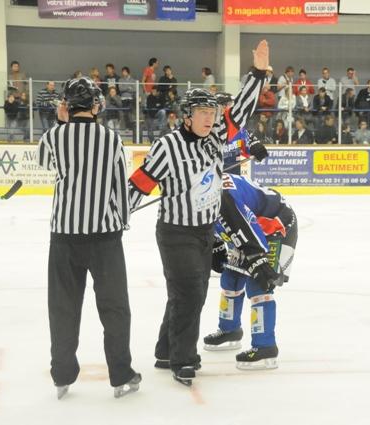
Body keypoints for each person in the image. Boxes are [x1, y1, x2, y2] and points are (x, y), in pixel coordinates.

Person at [127, 39, 270, 387]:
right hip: (176, 233)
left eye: (212, 113)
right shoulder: (167, 147)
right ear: (187, 116)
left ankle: (165, 350)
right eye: (203, 113)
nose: (210, 118)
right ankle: (183, 358)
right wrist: (116, 214)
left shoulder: (214, 138)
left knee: (186, 293)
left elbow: (241, 111)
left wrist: (257, 73)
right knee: (190, 292)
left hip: (205, 231)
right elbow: (140, 183)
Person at [36, 76, 141, 399]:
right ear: (96, 105)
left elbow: (45, 163)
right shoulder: (111, 139)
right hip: (104, 237)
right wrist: (123, 221)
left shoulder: (53, 136)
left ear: (67, 105)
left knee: (63, 308)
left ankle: (62, 375)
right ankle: (121, 375)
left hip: (64, 236)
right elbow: (119, 187)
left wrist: (60, 124)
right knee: (115, 308)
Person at [203, 173, 296, 369]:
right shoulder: (202, 186)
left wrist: (257, 260)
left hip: (275, 224)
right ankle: (230, 330)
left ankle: (265, 347)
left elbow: (247, 225)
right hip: (248, 227)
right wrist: (215, 245)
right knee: (231, 278)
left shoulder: (224, 195)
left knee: (259, 283)